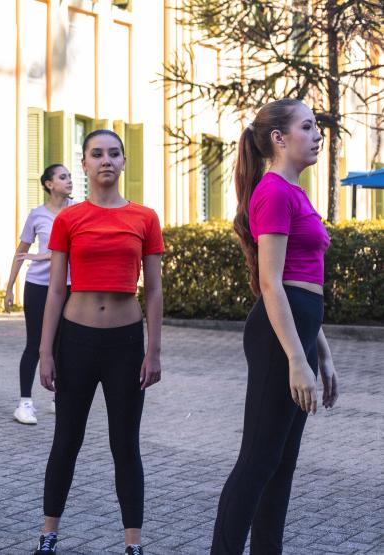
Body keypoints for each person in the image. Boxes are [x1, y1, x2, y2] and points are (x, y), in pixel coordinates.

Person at [211, 99, 338, 555]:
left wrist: (321, 354)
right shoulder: (274, 192)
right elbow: (271, 283)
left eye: (316, 126)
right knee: (258, 461)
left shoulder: (294, 192)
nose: (317, 134)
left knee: (281, 463)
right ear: (279, 139)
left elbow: (300, 285)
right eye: (307, 126)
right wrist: (296, 360)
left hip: (298, 326)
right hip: (277, 337)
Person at [32, 130, 163, 555]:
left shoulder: (145, 218)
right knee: (66, 440)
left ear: (124, 161)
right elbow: (55, 290)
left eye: (114, 153)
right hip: (76, 342)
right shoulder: (69, 219)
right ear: (85, 164)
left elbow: (154, 291)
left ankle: (133, 544)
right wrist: (45, 352)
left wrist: (153, 350)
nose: (106, 160)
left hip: (126, 344)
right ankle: (48, 535)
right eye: (97, 154)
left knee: (125, 444)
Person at [4, 164, 75, 424]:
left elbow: (74, 247)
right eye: (63, 177)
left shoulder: (78, 211)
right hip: (38, 285)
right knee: (35, 344)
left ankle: (59, 398)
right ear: (49, 184)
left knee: (63, 345)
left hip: (69, 286)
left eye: (70, 176)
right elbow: (21, 252)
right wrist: (9, 288)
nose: (69, 180)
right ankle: (25, 403)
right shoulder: (37, 215)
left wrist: (43, 255)